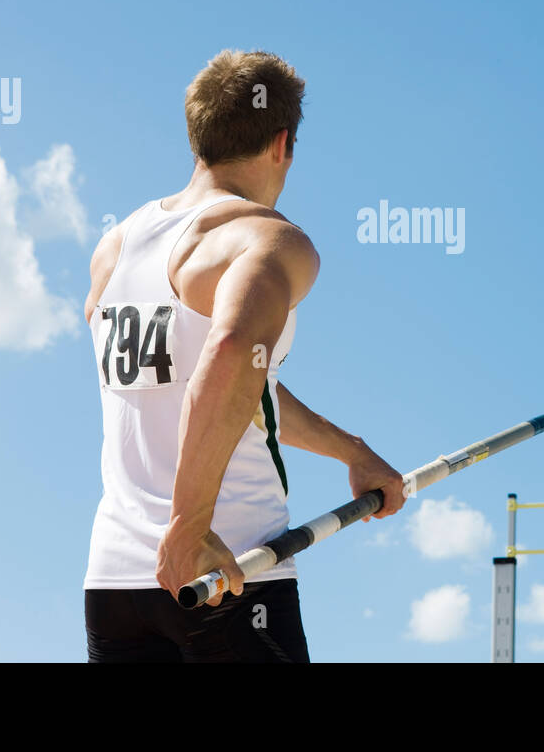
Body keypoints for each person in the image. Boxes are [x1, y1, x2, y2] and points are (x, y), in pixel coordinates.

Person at [81, 49, 405, 662]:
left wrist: (353, 452)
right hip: (226, 572)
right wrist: (188, 527)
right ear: (282, 143)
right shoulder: (268, 238)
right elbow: (230, 356)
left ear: (197, 137)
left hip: (118, 585)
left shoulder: (115, 248)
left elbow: (239, 379)